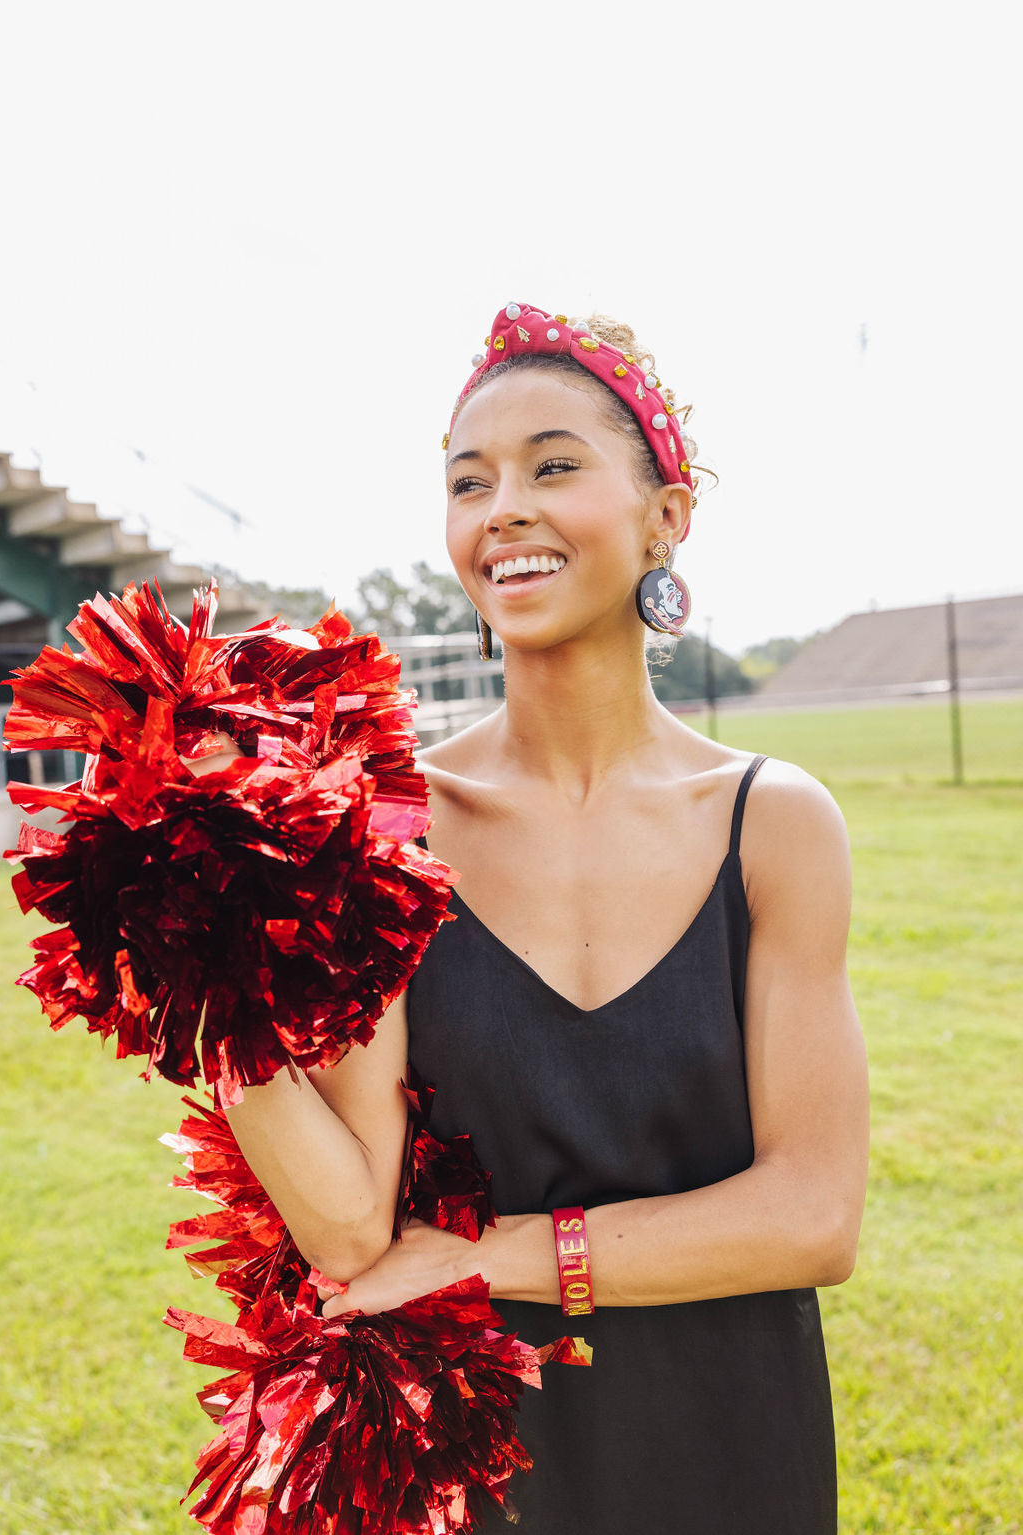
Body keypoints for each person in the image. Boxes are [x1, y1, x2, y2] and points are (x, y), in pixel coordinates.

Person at [219, 302, 870, 1535]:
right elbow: (353, 1228)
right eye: (469, 482)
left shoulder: (774, 822)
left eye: (553, 467)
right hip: (474, 1468)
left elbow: (812, 1214)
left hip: (731, 1451)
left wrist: (482, 1255)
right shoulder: (384, 829)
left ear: (665, 515)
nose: (501, 508)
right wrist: (208, 995)